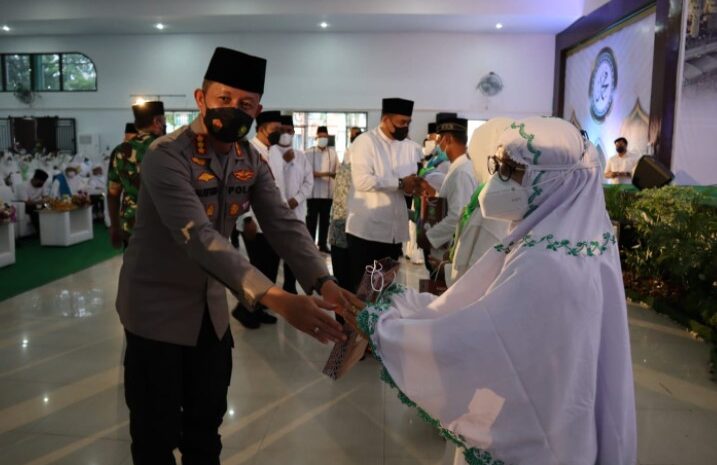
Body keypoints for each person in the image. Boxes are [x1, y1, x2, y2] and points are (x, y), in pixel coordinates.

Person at [116, 46, 360, 465]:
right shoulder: (165, 155)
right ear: (200, 98)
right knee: (154, 436)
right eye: (223, 99)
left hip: (209, 315)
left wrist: (324, 282)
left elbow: (282, 224)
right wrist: (277, 299)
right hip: (155, 313)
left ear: (257, 109)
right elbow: (200, 238)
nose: (233, 110)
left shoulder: (250, 158)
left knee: (205, 431)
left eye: (245, 104)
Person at [351, 117, 636, 465]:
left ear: (553, 182)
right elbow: (488, 305)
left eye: (512, 170)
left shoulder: (548, 260)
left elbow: (482, 335)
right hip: (561, 415)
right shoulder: (575, 240)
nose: (498, 181)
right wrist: (413, 305)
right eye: (497, 165)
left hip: (535, 431)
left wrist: (391, 328)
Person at [346, 97, 421, 291]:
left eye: (408, 123)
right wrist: (398, 183)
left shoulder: (408, 147)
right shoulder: (366, 142)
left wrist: (414, 184)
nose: (406, 127)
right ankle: (359, 322)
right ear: (386, 119)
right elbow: (362, 181)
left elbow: (408, 182)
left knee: (384, 291)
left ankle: (381, 322)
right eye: (401, 122)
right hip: (367, 234)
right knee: (364, 292)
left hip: (394, 234)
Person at [441, 118, 512, 286]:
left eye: (473, 157)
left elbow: (476, 277)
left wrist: (448, 269)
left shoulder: (492, 207)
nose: (473, 165)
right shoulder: (488, 195)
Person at [231, 110, 283, 328]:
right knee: (258, 270)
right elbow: (240, 188)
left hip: (272, 222)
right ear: (261, 129)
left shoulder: (275, 152)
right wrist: (247, 218)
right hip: (254, 222)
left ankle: (258, 307)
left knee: (269, 269)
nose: (279, 134)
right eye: (275, 130)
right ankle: (244, 310)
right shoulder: (247, 151)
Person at [416, 117, 477, 266]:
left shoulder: (462, 172)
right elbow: (455, 203)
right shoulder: (458, 167)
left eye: (438, 139)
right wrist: (435, 196)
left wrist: (429, 236)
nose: (437, 144)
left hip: (449, 253)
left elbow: (458, 216)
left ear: (447, 139)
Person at [107, 101, 166, 249]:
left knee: (134, 270)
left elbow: (113, 194)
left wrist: (115, 227)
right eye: (163, 121)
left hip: (131, 227)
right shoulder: (168, 148)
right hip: (164, 228)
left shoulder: (119, 151)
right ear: (157, 121)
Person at [267, 114, 313, 294]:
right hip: (275, 213)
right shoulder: (270, 153)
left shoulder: (301, 156)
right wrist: (285, 163)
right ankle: (270, 292)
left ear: (294, 132)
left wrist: (297, 199)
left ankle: (289, 285)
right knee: (272, 255)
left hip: (297, 212)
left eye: (289, 131)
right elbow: (270, 181)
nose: (286, 134)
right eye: (282, 131)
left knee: (294, 253)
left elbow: (309, 182)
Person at [305, 125, 339, 252]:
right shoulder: (308, 152)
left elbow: (337, 171)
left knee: (325, 220)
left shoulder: (332, 153)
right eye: (321, 137)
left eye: (325, 137)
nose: (323, 139)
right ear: (316, 137)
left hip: (327, 193)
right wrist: (326, 174)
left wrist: (332, 175)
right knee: (311, 220)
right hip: (313, 193)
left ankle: (323, 244)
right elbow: (307, 172)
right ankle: (310, 244)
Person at [13, 168, 49, 233]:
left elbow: (45, 197)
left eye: (43, 183)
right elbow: (27, 202)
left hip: (37, 204)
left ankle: (49, 228)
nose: (41, 184)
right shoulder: (23, 186)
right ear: (35, 179)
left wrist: (46, 201)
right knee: (35, 209)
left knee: (48, 207)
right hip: (22, 206)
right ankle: (40, 232)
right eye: (40, 182)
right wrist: (40, 202)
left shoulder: (42, 184)